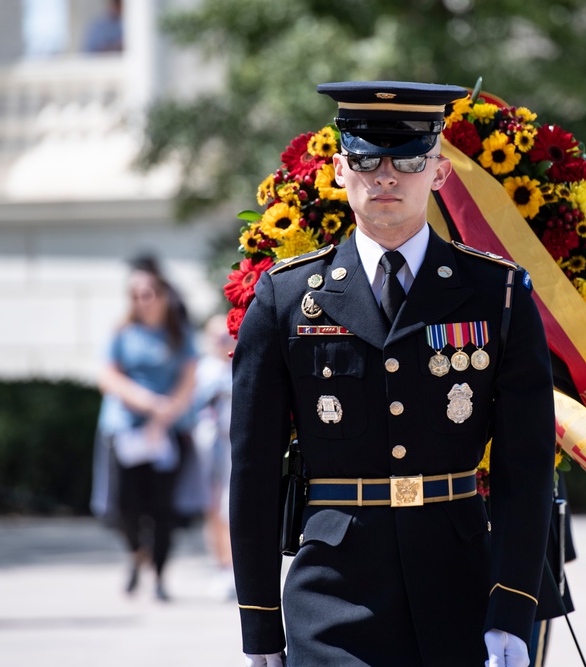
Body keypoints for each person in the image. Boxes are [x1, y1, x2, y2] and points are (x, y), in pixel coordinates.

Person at [230, 82, 557, 667]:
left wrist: (511, 609)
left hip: (461, 590)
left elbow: (525, 469)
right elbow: (253, 472)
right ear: (338, 170)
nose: (386, 175)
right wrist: (260, 631)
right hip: (331, 601)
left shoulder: (496, 294)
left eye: (408, 158)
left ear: (439, 172)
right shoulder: (284, 299)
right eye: (364, 157)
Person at [93, 254, 196, 602]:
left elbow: (188, 380)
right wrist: (148, 402)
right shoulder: (121, 333)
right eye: (136, 294)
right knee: (124, 507)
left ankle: (160, 575)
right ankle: (137, 553)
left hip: (167, 433)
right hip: (124, 432)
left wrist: (163, 416)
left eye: (149, 292)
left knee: (163, 508)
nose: (143, 299)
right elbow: (108, 377)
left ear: (163, 295)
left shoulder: (179, 334)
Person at [191, 313, 236, 600]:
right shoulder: (203, 370)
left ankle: (234, 567)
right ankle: (220, 566)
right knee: (212, 507)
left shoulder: (240, 364)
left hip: (235, 448)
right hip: (209, 447)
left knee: (230, 508)